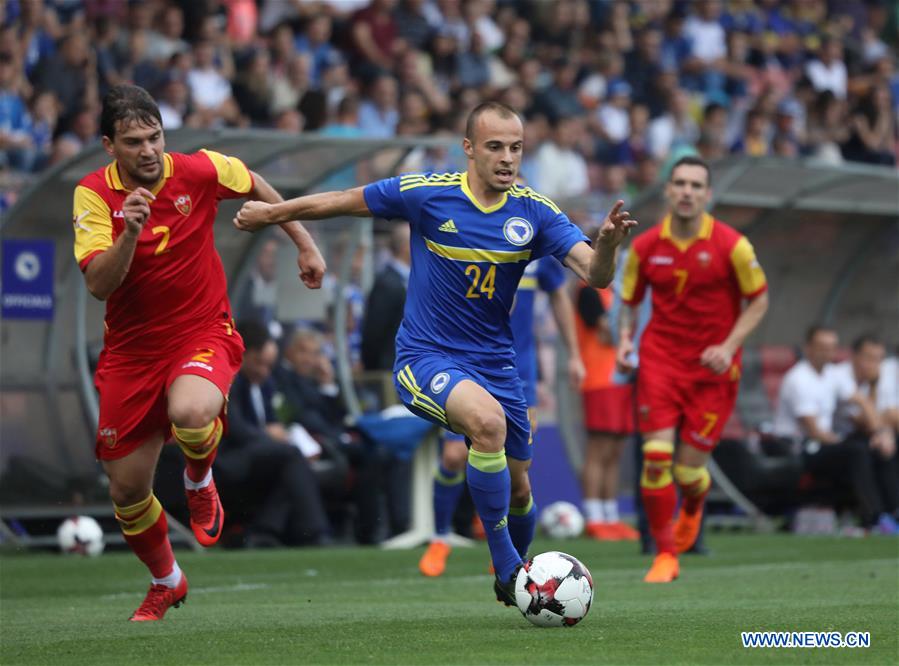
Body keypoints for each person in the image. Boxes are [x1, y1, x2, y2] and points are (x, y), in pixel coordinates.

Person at [234, 100, 636, 604]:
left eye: (515, 148)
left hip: (497, 364)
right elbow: (340, 199)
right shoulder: (427, 195)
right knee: (484, 427)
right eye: (495, 147)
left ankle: (516, 574)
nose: (507, 158)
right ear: (469, 149)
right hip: (426, 357)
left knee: (520, 490)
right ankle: (509, 567)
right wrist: (275, 212)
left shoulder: (534, 211)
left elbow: (594, 275)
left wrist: (608, 247)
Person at [72, 84, 325, 621]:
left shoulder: (198, 170)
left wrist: (303, 242)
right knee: (127, 490)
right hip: (132, 353)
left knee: (190, 412)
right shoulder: (93, 195)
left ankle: (197, 476)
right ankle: (168, 580)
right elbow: (99, 284)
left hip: (200, 329)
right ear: (108, 146)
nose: (148, 150)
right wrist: (129, 233)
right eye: (134, 141)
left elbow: (254, 181)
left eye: (155, 137)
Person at [617, 155, 769, 583]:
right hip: (661, 362)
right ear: (667, 190)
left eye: (696, 185)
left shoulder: (732, 245)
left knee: (687, 472)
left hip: (712, 369)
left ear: (708, 195)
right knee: (655, 457)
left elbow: (759, 300)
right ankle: (666, 554)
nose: (687, 191)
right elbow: (628, 304)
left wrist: (729, 345)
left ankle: (695, 507)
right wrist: (626, 340)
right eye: (679, 183)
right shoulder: (645, 247)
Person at [418, 255, 586, 577]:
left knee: (519, 481)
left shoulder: (535, 237)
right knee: (453, 454)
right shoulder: (462, 233)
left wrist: (575, 354)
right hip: (462, 366)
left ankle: (512, 565)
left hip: (517, 372)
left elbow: (558, 294)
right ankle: (440, 538)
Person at [216, 321, 332, 547]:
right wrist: (270, 438)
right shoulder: (229, 380)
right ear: (243, 354)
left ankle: (265, 531)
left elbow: (272, 421)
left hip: (258, 454)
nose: (264, 371)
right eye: (259, 363)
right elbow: (235, 428)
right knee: (290, 456)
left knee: (292, 465)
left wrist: (279, 434)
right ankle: (314, 530)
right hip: (229, 458)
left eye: (269, 366)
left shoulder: (264, 384)